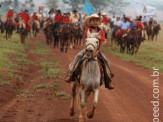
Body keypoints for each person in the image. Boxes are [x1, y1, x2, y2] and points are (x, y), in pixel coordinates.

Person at [65, 14, 114, 90]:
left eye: (97, 21)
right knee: (77, 57)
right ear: (90, 22)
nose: (95, 22)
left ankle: (108, 79)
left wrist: (98, 51)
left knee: (106, 61)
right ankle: (71, 74)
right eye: (93, 20)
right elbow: (85, 41)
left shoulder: (101, 32)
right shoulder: (87, 30)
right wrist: (86, 49)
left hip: (97, 51)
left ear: (99, 22)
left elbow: (102, 42)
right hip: (87, 49)